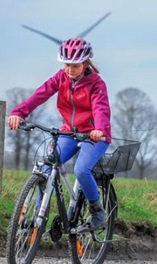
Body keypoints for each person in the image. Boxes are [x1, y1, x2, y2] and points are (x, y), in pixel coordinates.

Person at [7, 38, 112, 229]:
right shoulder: (61, 77)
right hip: (68, 133)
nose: (70, 69)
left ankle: (97, 210)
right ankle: (40, 215)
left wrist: (99, 129)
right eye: (66, 65)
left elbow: (101, 109)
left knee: (81, 170)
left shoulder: (96, 83)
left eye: (75, 65)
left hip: (94, 136)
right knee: (46, 167)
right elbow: (40, 94)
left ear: (85, 62)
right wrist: (18, 112)